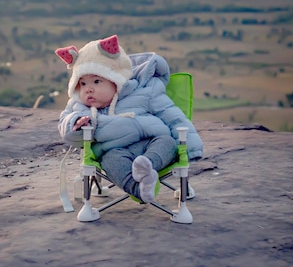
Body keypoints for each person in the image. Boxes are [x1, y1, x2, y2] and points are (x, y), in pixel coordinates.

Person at [55, 34, 203, 203]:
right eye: (83, 83)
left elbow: (172, 116)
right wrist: (76, 124)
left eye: (96, 81)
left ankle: (147, 166)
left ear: (116, 79)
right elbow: (64, 124)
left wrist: (192, 147)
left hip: (150, 143)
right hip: (114, 151)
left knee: (167, 142)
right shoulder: (80, 107)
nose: (88, 89)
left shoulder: (144, 91)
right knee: (111, 161)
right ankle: (139, 188)